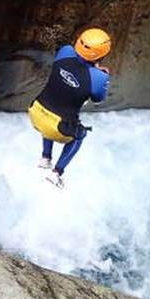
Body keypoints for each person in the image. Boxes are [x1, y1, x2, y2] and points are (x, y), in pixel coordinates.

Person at [28, 28, 112, 189]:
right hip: (56, 127)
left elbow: (74, 67)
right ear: (103, 54)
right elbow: (97, 99)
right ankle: (56, 173)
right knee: (80, 135)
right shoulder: (99, 77)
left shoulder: (65, 51)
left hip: (35, 110)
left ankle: (45, 157)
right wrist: (99, 75)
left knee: (51, 112)